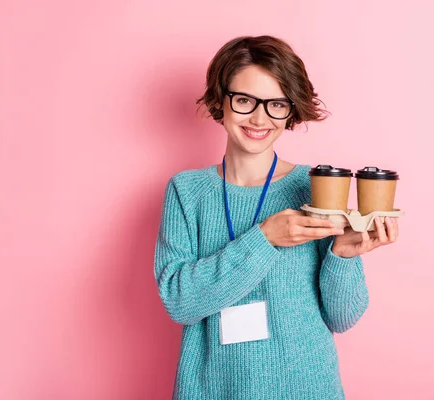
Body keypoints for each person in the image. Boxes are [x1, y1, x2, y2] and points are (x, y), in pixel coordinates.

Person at [154, 35, 399, 400]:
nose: (259, 117)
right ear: (221, 100)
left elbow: (342, 318)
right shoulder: (187, 192)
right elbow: (180, 301)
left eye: (276, 105)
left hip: (306, 388)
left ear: (291, 111)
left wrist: (343, 257)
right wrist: (264, 238)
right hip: (214, 389)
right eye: (244, 100)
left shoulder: (315, 187)